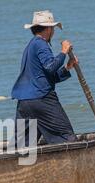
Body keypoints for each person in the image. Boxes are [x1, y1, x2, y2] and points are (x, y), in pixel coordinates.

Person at [12, 10, 79, 146]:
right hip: (42, 100)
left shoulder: (31, 46)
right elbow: (50, 67)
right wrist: (63, 52)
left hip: (25, 103)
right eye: (53, 28)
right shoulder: (41, 44)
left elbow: (47, 77)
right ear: (48, 29)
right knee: (67, 138)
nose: (53, 32)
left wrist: (67, 68)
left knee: (22, 146)